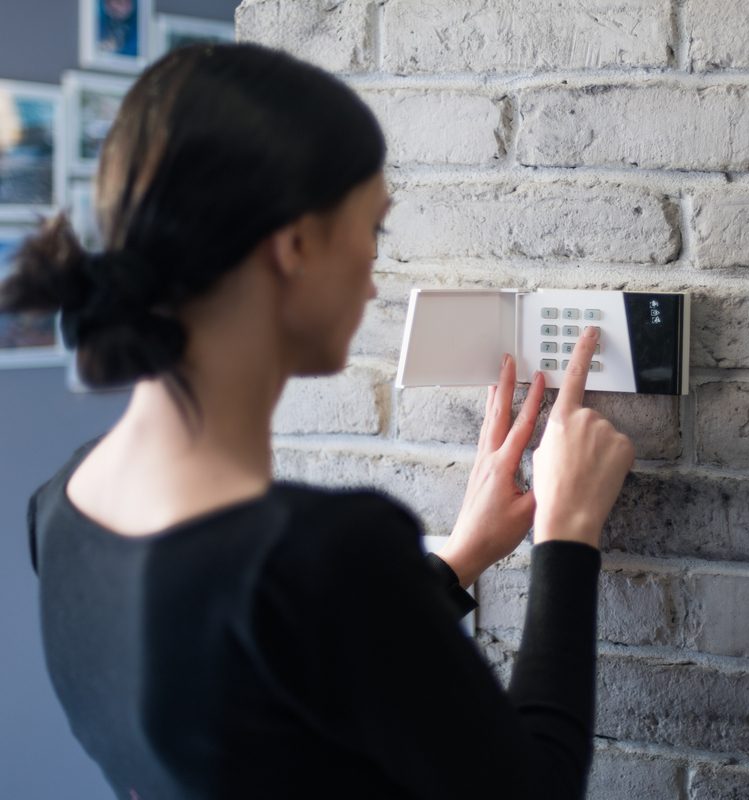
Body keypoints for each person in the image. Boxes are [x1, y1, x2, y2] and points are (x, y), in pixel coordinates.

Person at [0, 43, 634, 799]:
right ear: (295, 246)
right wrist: (567, 532)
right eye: (375, 230)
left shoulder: (58, 511)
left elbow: (267, 704)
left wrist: (456, 560)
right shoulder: (327, 552)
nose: (374, 275)